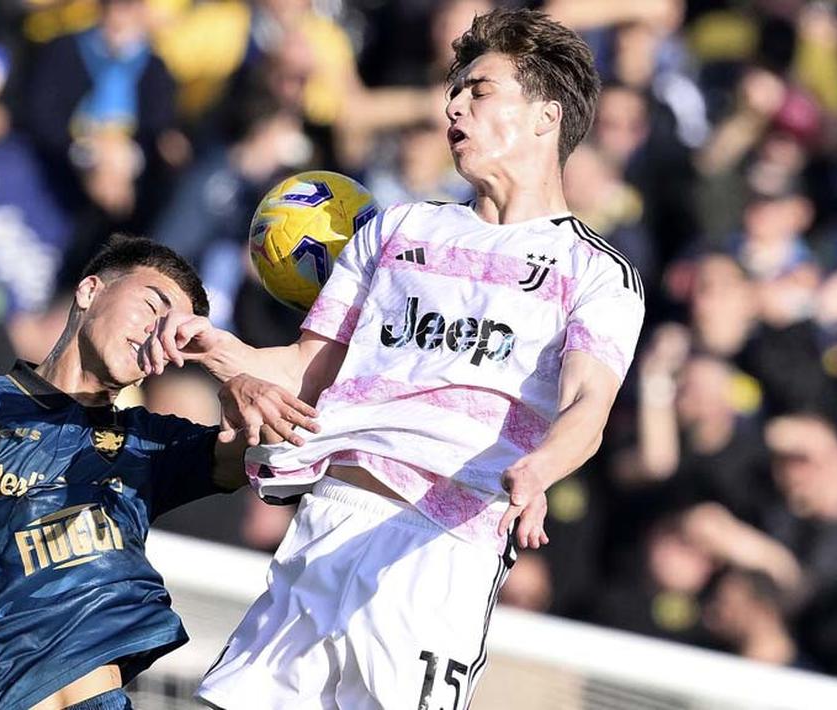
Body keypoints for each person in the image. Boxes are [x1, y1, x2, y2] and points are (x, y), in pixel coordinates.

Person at [153, 9, 646, 707]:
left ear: (545, 116)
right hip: (326, 520)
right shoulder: (395, 228)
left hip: (439, 547)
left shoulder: (592, 269)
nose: (452, 106)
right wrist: (218, 348)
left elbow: (587, 406)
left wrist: (540, 466)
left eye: (479, 90)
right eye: (454, 90)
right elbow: (303, 370)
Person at [0, 236, 316, 710]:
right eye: (151, 307)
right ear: (90, 290)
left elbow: (271, 449)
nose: (156, 332)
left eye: (174, 330)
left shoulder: (149, 442)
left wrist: (238, 380)